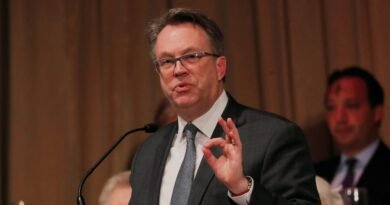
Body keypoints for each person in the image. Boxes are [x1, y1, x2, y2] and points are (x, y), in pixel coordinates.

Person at [129, 8, 320, 205]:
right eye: (167, 61)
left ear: (220, 67)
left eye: (191, 56)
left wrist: (242, 189)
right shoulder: (147, 153)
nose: (178, 70)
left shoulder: (274, 137)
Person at [315, 66, 390, 205]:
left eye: (351, 105)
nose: (340, 118)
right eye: (331, 107)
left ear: (377, 113)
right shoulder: (313, 174)